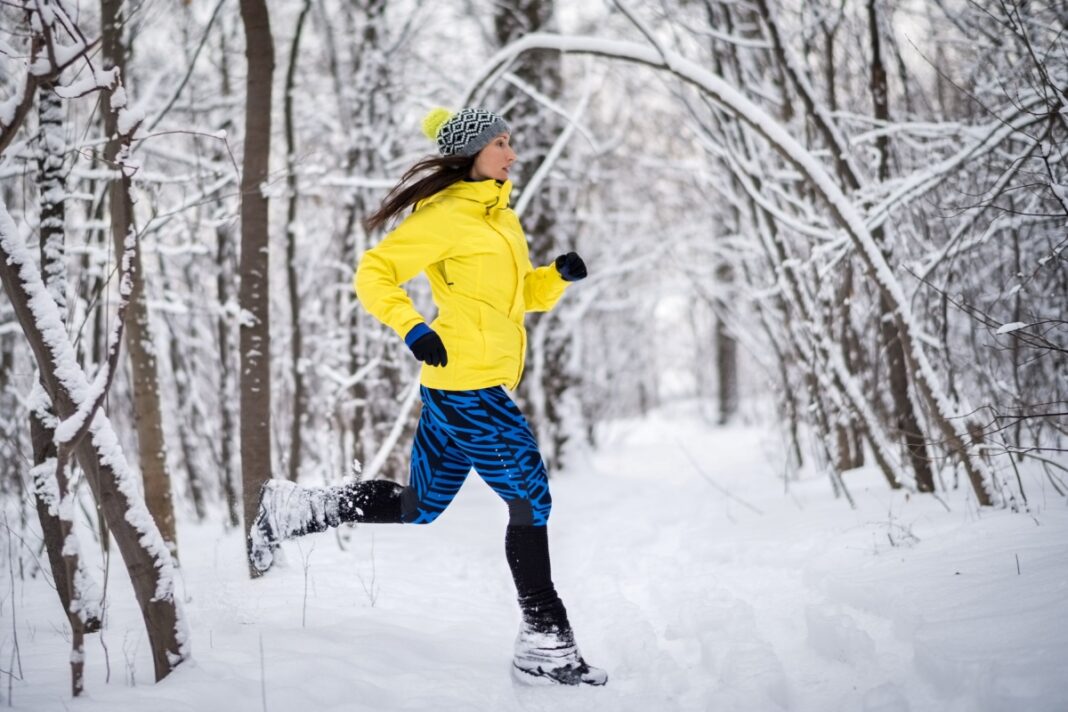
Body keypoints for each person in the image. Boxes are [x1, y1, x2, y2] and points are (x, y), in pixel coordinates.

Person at [247, 106, 606, 687]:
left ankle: (296, 510)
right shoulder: (444, 217)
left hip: (460, 386)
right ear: (472, 152)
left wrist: (555, 277)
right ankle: (546, 640)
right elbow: (375, 271)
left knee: (420, 506)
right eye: (501, 143)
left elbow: (520, 299)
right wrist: (413, 327)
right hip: (468, 387)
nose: (512, 154)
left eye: (510, 143)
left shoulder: (500, 219)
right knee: (530, 500)